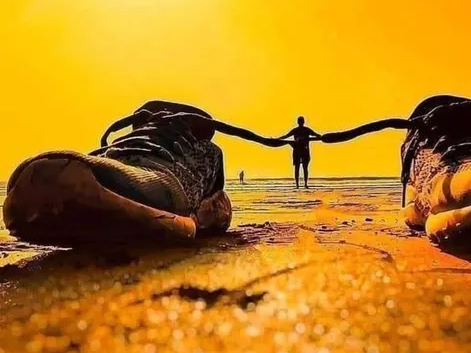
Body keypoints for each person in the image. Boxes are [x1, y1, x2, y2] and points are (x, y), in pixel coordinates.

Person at [2, 100, 289, 247]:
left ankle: (196, 200)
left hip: (167, 175)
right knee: (62, 172)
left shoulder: (208, 151)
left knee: (58, 172)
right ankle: (123, 167)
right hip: (124, 167)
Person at [278, 116, 321, 188]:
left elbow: (316, 135)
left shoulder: (306, 130)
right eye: (300, 121)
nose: (301, 123)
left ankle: (303, 184)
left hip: (303, 151)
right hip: (299, 151)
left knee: (304, 168)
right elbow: (286, 136)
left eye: (301, 121)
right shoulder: (300, 130)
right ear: (301, 122)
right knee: (299, 168)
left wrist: (321, 137)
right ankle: (300, 184)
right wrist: (278, 139)